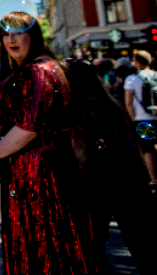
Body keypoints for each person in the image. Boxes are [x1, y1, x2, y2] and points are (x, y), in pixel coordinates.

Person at [0, 13, 93, 275]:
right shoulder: (39, 67)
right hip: (40, 171)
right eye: (5, 34)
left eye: (17, 32)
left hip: (40, 175)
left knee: (44, 246)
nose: (10, 39)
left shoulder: (38, 70)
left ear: (32, 36)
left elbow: (29, 127)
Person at [67, 60, 156, 274]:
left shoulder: (73, 111)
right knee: (144, 245)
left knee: (89, 247)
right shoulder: (111, 105)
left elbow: (80, 153)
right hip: (130, 178)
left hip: (96, 183)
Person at [123, 51, 157, 185]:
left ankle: (154, 180)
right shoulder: (156, 75)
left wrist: (133, 119)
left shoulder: (131, 79)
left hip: (143, 119)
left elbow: (128, 102)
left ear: (136, 62)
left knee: (148, 149)